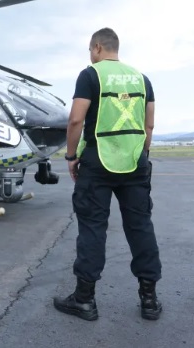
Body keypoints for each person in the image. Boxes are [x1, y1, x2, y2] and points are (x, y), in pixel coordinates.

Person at [53, 28, 162, 321]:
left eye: (91, 50)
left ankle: (85, 299)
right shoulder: (143, 79)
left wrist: (71, 155)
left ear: (98, 47)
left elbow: (76, 119)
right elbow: (148, 126)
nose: (90, 55)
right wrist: (142, 154)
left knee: (92, 229)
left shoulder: (91, 75)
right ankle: (149, 299)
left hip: (98, 162)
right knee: (140, 227)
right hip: (135, 162)